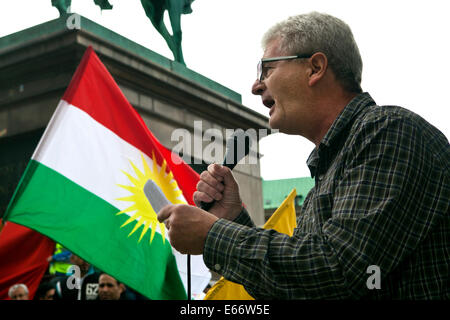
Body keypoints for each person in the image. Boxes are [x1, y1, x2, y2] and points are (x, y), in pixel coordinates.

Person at [157, 12, 449, 299]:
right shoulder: (333, 165)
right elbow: (299, 286)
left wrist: (214, 234)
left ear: (315, 68)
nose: (256, 86)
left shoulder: (389, 131)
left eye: (266, 69)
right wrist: (231, 220)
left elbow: (338, 271)